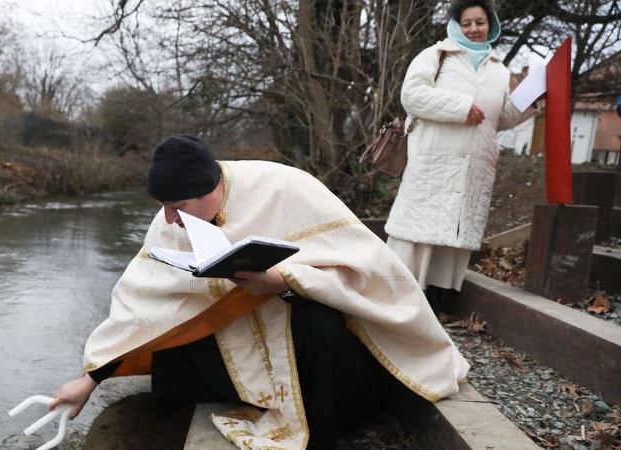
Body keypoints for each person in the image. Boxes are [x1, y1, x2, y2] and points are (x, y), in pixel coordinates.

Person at [49, 134, 470, 450]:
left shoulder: (285, 187)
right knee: (171, 355)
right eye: (162, 205)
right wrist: (90, 380)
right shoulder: (172, 218)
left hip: (310, 325)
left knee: (317, 326)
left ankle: (323, 433)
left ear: (209, 190)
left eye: (177, 206)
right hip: (243, 330)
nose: (169, 219)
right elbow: (142, 305)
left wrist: (285, 280)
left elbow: (363, 265)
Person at [384, 0, 537, 311]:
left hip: (474, 165)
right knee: (420, 232)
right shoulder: (435, 56)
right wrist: (460, 107)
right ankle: (401, 299)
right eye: (467, 23)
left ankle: (440, 303)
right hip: (434, 161)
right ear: (456, 25)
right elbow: (411, 96)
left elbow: (499, 118)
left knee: (454, 232)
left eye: (480, 22)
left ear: (490, 24)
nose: (473, 29)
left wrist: (530, 101)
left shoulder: (499, 68)